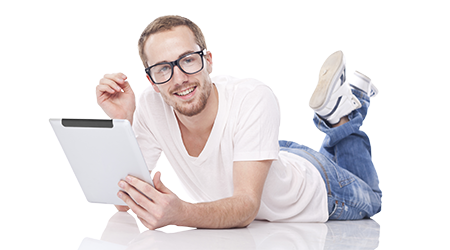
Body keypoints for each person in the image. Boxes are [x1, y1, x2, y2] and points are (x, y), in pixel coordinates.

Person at [96, 15, 382, 230]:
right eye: (163, 69)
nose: (179, 77)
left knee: (373, 198)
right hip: (267, 156)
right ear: (151, 80)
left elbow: (246, 207)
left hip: (319, 186)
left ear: (208, 60)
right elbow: (121, 202)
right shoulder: (149, 105)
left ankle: (343, 115)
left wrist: (181, 213)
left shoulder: (253, 97)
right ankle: (339, 110)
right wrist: (124, 121)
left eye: (188, 60)